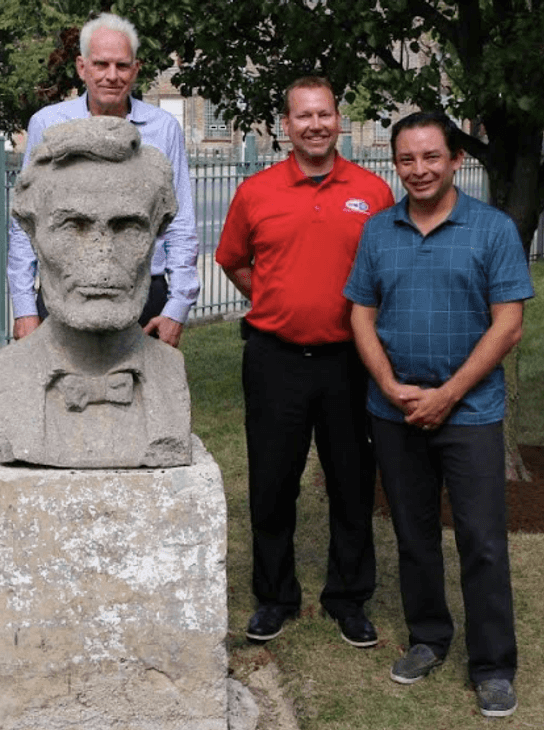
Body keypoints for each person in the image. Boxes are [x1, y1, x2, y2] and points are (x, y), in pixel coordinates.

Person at [344, 111, 533, 717]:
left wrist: (448, 393)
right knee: (413, 534)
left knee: (481, 541)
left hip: (470, 410)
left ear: (456, 160)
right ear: (395, 164)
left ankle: (493, 665)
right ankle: (428, 639)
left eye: (431, 157)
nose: (419, 170)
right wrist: (390, 385)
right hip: (393, 409)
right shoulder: (378, 231)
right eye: (407, 159)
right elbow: (360, 315)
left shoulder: (493, 229)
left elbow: (510, 324)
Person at [215, 77, 394, 647]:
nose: (314, 125)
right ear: (285, 126)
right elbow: (234, 261)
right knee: (271, 482)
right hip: (275, 360)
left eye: (324, 114)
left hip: (349, 360)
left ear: (338, 120)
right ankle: (275, 597)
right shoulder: (256, 191)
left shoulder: (373, 192)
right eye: (303, 116)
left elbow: (385, 274)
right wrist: (275, 298)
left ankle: (347, 598)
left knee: (351, 482)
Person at [0, 116, 191, 469]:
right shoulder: (12, 373)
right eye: (74, 226)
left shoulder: (170, 372)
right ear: (32, 231)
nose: (103, 257)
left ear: (157, 231)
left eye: (128, 227)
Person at [7, 12, 198, 348]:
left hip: (142, 290)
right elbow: (27, 224)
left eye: (122, 66)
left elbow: (180, 223)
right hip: (64, 290)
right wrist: (24, 307)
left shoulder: (163, 129)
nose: (112, 76)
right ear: (82, 67)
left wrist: (177, 306)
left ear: (136, 69)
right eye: (101, 65)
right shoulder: (48, 126)